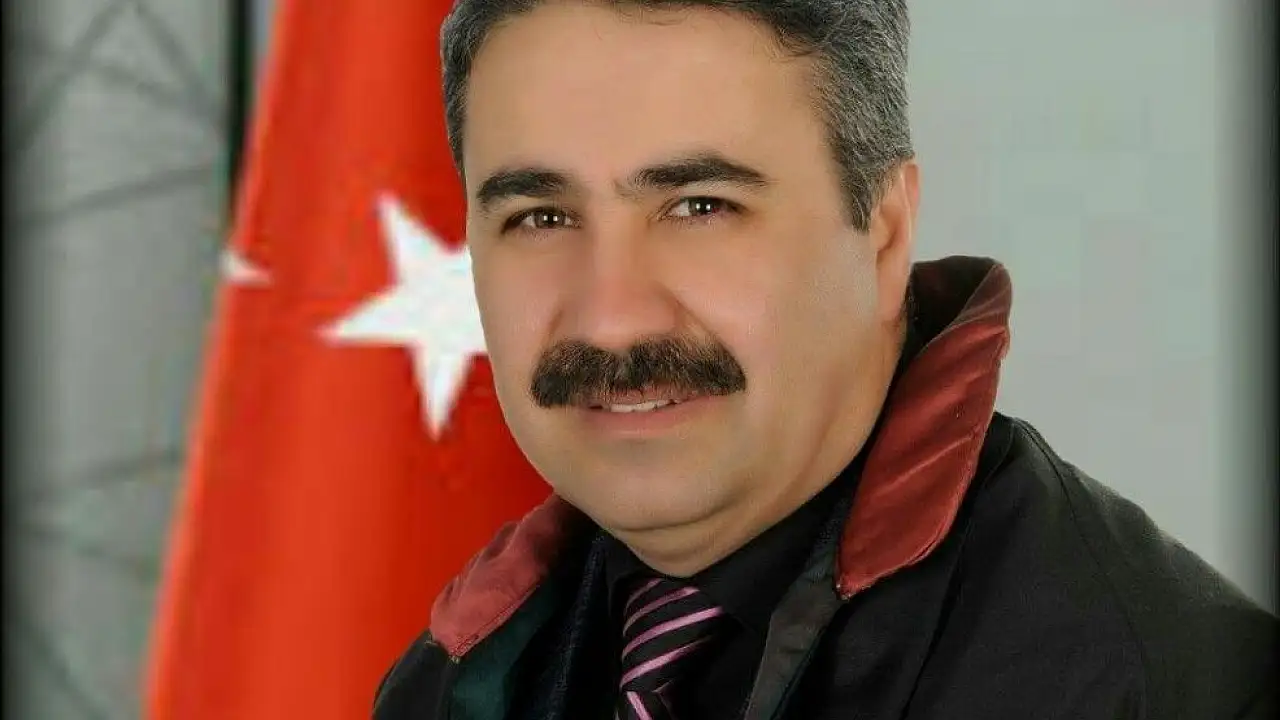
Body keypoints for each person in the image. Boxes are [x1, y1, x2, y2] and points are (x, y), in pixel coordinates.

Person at [373, 1, 1277, 718]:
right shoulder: (449, 684)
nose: (610, 319)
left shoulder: (1174, 691)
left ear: (884, 235)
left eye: (700, 206)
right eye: (541, 217)